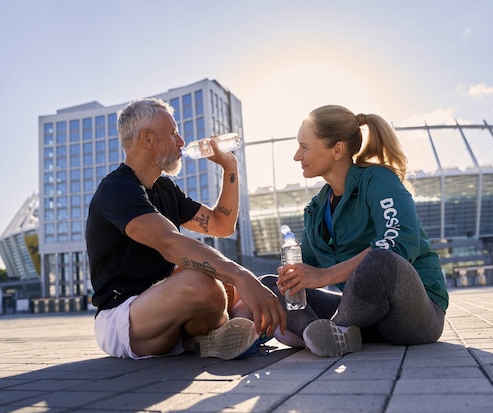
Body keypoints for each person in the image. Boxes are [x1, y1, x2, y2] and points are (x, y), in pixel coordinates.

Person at [85, 98, 286, 360]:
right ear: (147, 139)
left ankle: (207, 339)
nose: (181, 142)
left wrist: (229, 167)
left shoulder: (166, 189)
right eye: (173, 133)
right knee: (203, 283)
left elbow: (221, 225)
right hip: (122, 318)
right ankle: (218, 333)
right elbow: (171, 245)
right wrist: (242, 275)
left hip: (163, 308)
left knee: (229, 289)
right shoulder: (117, 190)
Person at [264, 104, 448, 357]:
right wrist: (291, 279)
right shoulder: (316, 209)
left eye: (305, 147)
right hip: (363, 315)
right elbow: (306, 267)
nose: (297, 156)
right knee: (269, 285)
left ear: (337, 149)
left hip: (414, 316)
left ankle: (331, 330)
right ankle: (315, 334)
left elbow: (399, 243)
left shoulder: (378, 180)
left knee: (380, 260)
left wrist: (324, 276)